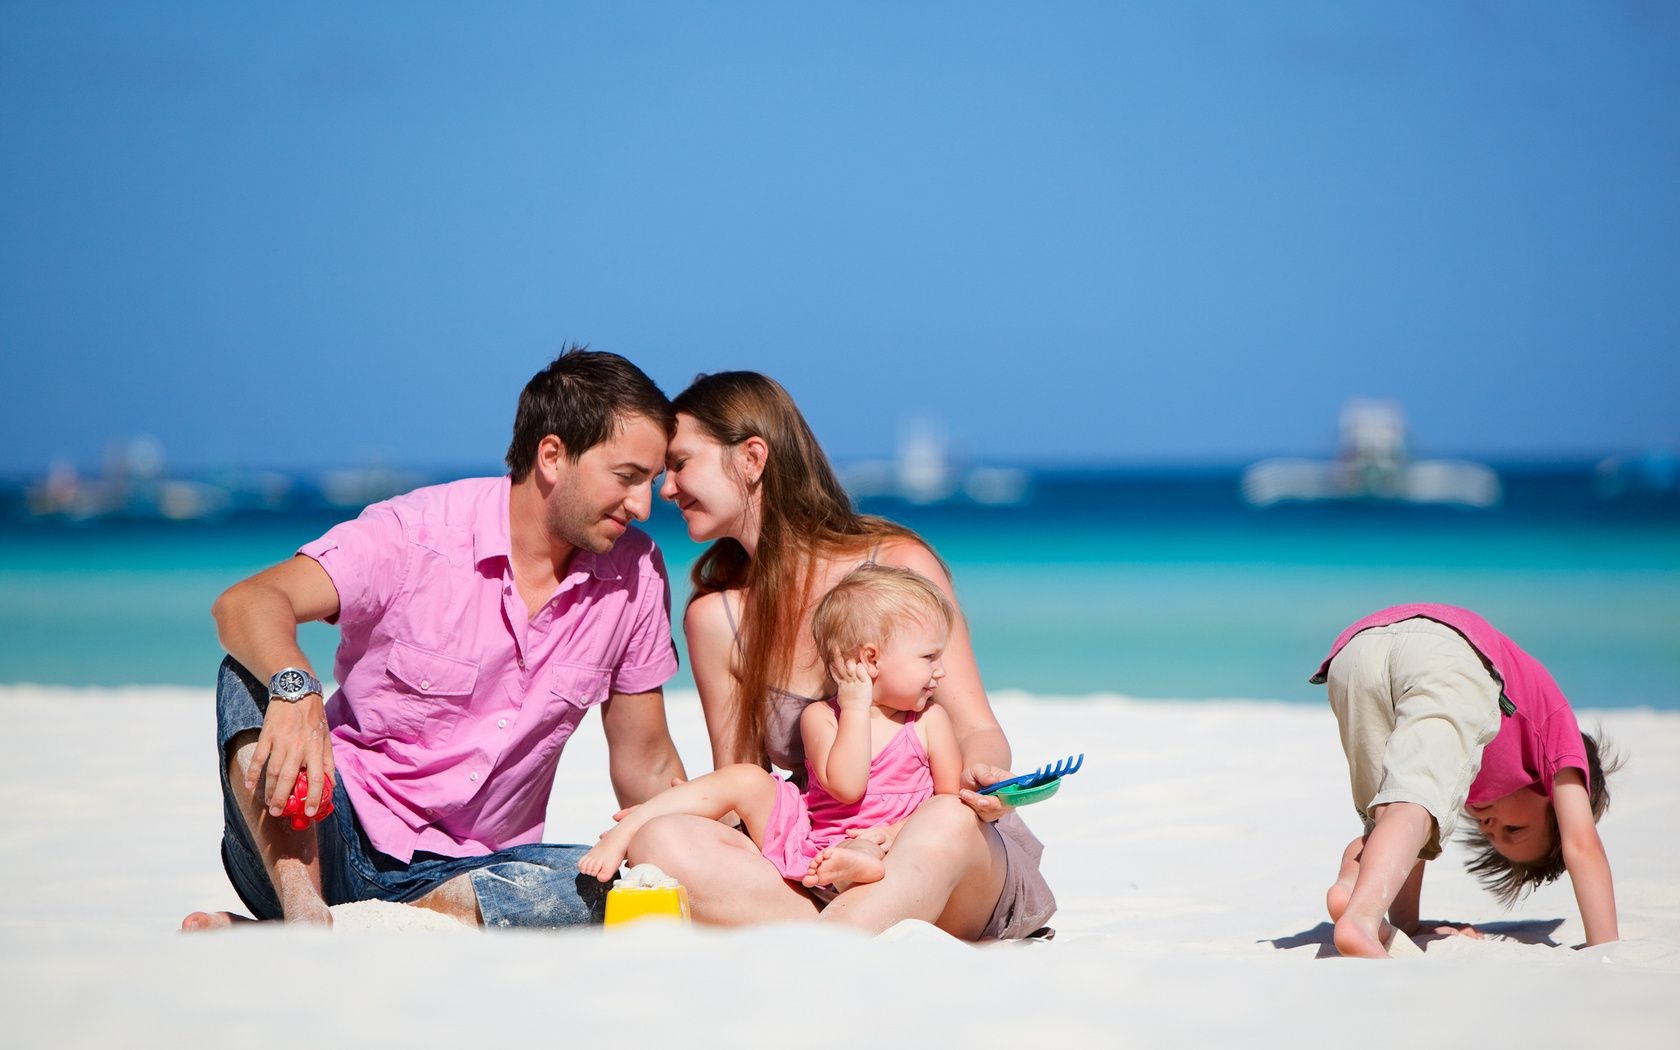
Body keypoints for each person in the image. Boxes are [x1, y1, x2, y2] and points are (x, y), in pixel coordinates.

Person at [181, 347, 688, 930]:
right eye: (626, 478)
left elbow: (645, 760)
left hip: (482, 871)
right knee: (251, 672)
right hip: (320, 836)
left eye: (651, 481)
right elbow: (246, 602)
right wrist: (298, 691)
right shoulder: (415, 534)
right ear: (553, 455)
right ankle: (304, 914)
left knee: (640, 888)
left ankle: (382, 919)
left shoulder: (637, 576)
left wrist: (709, 829)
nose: (644, 506)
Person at [625, 370, 1056, 940]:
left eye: (680, 463)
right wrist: (679, 815)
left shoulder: (899, 565)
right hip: (827, 865)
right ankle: (844, 931)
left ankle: (828, 943)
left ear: (752, 457)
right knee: (663, 840)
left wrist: (981, 774)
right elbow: (745, 783)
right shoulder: (716, 620)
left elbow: (977, 727)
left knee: (946, 820)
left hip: (938, 857)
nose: (667, 488)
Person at [579, 564, 961, 892]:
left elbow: (947, 803)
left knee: (863, 851)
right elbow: (847, 786)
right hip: (812, 840)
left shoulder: (930, 722)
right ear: (870, 658)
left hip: (883, 847)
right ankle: (636, 824)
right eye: (929, 657)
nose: (940, 670)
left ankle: (850, 871)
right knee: (744, 777)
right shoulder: (823, 717)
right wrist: (856, 708)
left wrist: (894, 833)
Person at [1311, 603, 1619, 958]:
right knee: (1415, 806)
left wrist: (1409, 926)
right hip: (1448, 654)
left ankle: (1351, 890)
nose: (1490, 823)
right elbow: (1582, 844)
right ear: (1551, 795)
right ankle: (1362, 918)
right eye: (1514, 828)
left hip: (1356, 651)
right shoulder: (1558, 740)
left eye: (1492, 833)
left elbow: (1407, 833)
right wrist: (1606, 946)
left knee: (1388, 817)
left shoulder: (1465, 760)